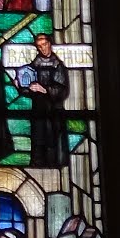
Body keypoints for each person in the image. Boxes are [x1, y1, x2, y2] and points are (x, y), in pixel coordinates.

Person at [25, 34, 70, 167]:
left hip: (53, 109)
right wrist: (23, 86)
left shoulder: (58, 65)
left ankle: (54, 164)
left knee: (52, 139)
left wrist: (44, 89)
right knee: (38, 139)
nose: (42, 48)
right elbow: (28, 85)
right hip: (38, 109)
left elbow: (62, 89)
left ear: (50, 44)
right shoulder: (35, 64)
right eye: (39, 46)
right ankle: (38, 164)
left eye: (44, 44)